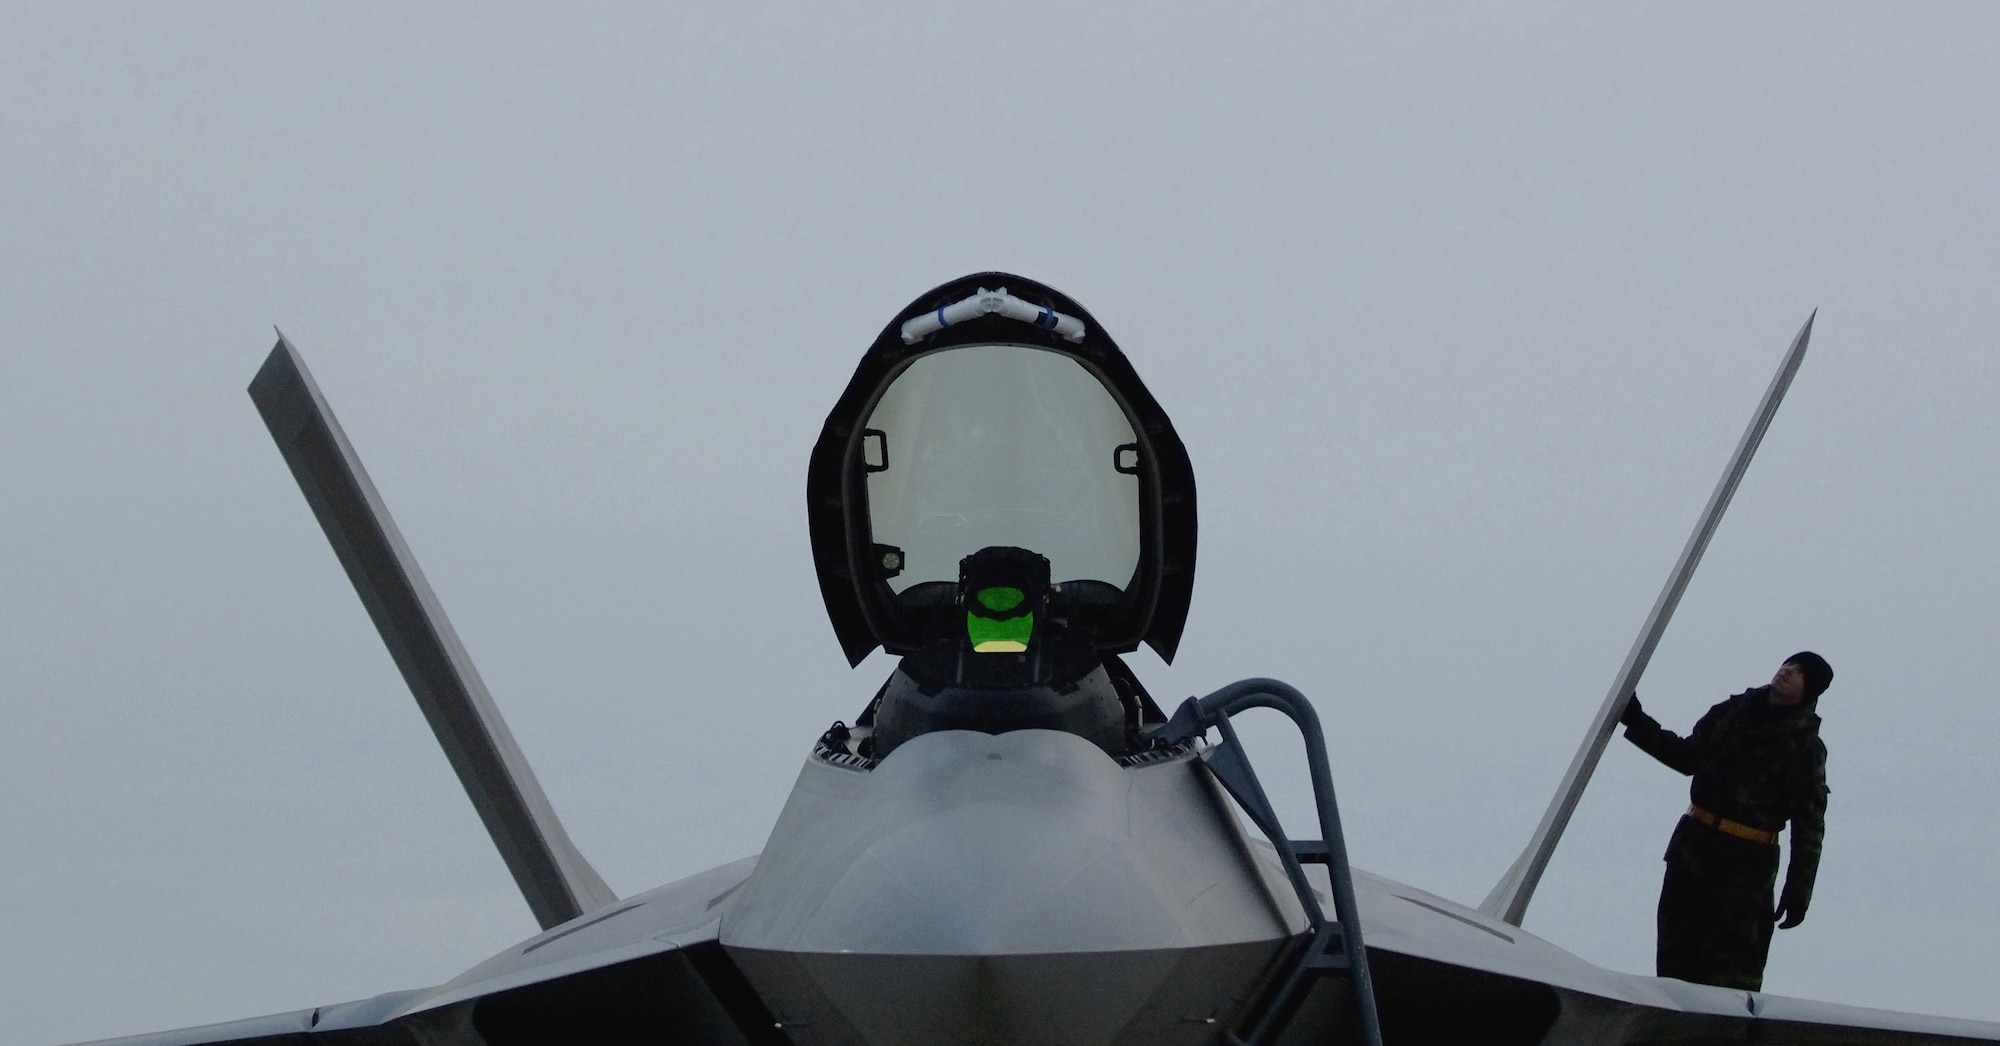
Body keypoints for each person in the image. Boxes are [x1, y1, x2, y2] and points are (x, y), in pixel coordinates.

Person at [1619, 652, 1833, 991]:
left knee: (1731, 979)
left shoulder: (1806, 749)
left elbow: (1809, 828)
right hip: (1693, 856)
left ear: (1810, 690)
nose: (1787, 670)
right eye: (1788, 664)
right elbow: (1688, 756)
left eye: (1800, 672)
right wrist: (1636, 720)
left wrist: (1798, 892)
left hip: (1745, 877)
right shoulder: (1732, 713)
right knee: (1675, 970)